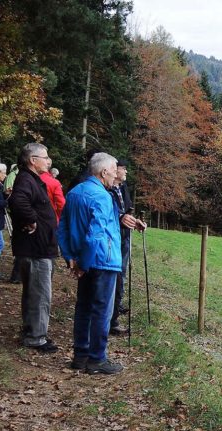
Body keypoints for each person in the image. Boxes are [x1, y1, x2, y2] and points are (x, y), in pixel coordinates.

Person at [58, 152, 144, 374]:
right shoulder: (102, 197)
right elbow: (96, 235)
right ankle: (97, 359)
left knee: (84, 308)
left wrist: (70, 257)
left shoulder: (74, 192)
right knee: (101, 310)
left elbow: (63, 227)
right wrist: (83, 264)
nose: (116, 174)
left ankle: (80, 356)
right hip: (102, 261)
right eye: (114, 170)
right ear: (104, 172)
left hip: (83, 259)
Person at [9, 143, 59, 353]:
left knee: (34, 292)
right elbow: (18, 202)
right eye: (44, 157)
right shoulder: (26, 179)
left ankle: (32, 331)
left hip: (38, 247)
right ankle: (36, 337)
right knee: (39, 294)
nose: (48, 161)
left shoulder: (31, 179)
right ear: (32, 160)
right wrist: (31, 221)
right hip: (35, 248)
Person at [109, 160, 139, 335]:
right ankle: (109, 321)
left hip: (123, 237)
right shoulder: (107, 190)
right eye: (123, 168)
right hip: (112, 241)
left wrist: (133, 221)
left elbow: (126, 211)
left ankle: (113, 316)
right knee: (115, 278)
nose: (125, 172)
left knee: (121, 276)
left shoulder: (122, 188)